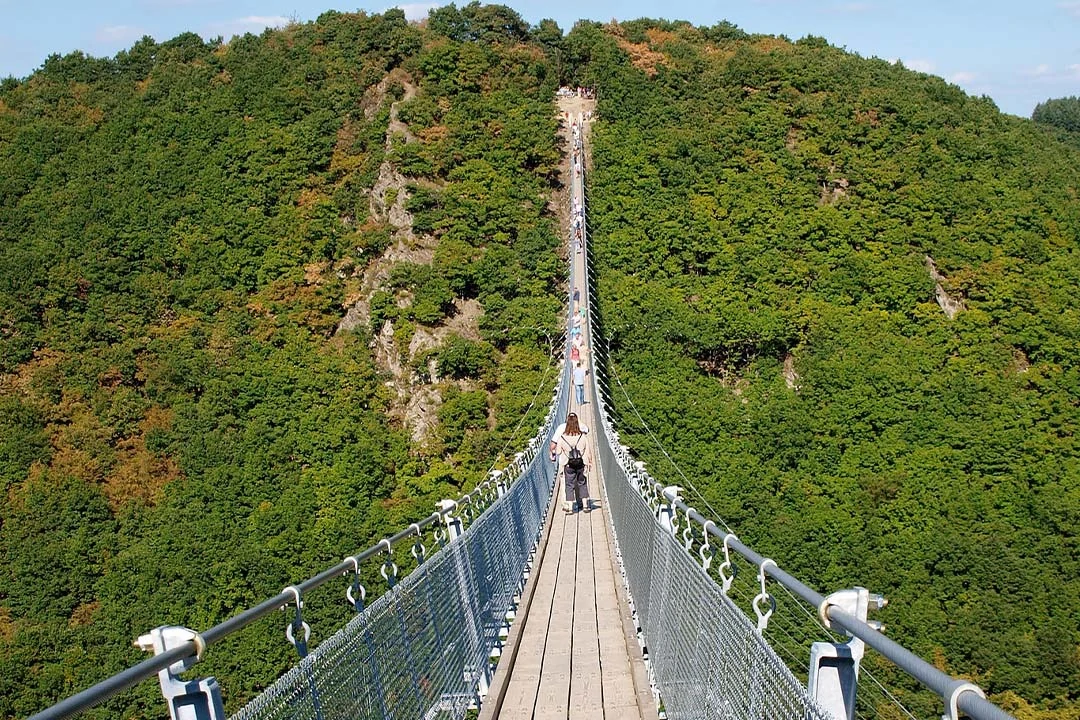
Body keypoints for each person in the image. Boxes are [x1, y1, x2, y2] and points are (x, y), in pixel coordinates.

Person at [552, 412, 591, 513]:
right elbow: (587, 450)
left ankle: (569, 507)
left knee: (569, 485)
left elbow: (558, 451)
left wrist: (556, 452)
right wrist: (588, 463)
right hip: (580, 463)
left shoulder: (562, 437)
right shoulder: (582, 437)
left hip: (568, 464)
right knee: (582, 483)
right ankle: (585, 505)